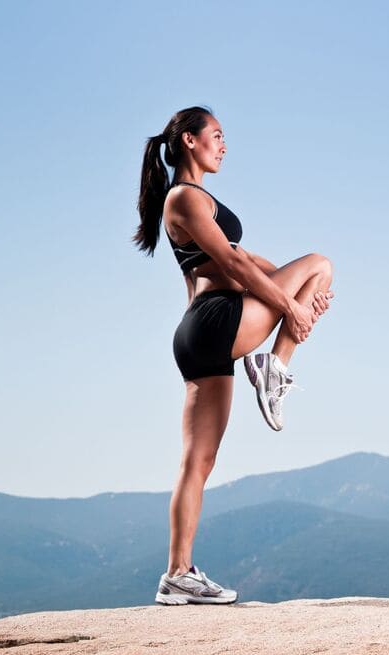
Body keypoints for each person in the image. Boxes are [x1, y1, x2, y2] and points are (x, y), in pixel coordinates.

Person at [134, 106, 334, 605]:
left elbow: (252, 261)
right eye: (217, 136)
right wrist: (292, 303)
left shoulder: (195, 200)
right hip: (216, 319)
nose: (223, 146)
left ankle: (177, 573)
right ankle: (275, 367)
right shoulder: (183, 197)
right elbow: (230, 261)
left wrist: (302, 303)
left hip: (204, 332)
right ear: (188, 142)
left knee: (198, 461)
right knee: (322, 264)